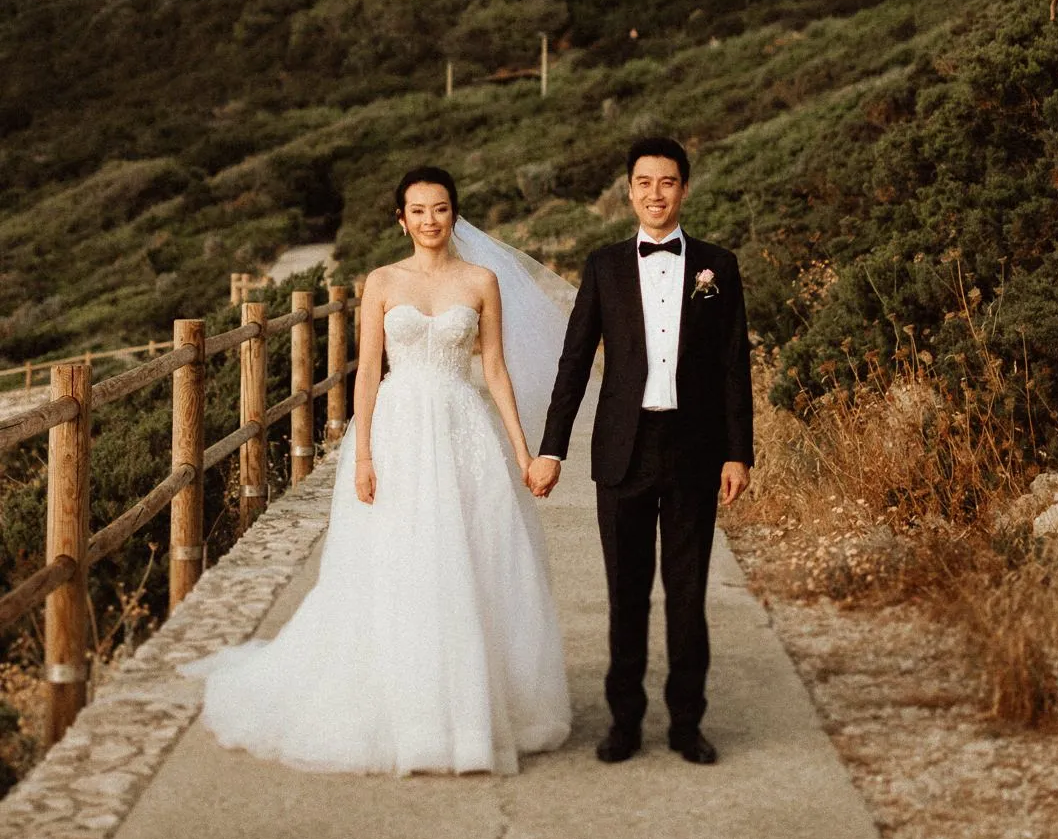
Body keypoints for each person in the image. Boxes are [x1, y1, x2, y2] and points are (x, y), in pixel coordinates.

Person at [185, 166, 571, 776]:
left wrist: (524, 454)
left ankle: (473, 713)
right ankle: (406, 710)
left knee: (474, 561)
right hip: (399, 431)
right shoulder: (383, 281)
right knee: (400, 562)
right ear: (401, 218)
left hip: (463, 430)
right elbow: (367, 372)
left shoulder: (482, 280)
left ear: (454, 213)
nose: (429, 220)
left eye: (440, 209)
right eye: (417, 210)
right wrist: (362, 453)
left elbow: (495, 370)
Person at [529, 136, 753, 766]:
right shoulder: (603, 266)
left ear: (684, 189)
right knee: (626, 594)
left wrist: (739, 453)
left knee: (687, 593)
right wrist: (552, 449)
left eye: (668, 182)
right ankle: (624, 721)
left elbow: (736, 364)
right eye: (644, 183)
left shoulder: (718, 266)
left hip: (694, 449)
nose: (656, 194)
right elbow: (574, 361)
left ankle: (687, 724)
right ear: (629, 191)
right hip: (621, 452)